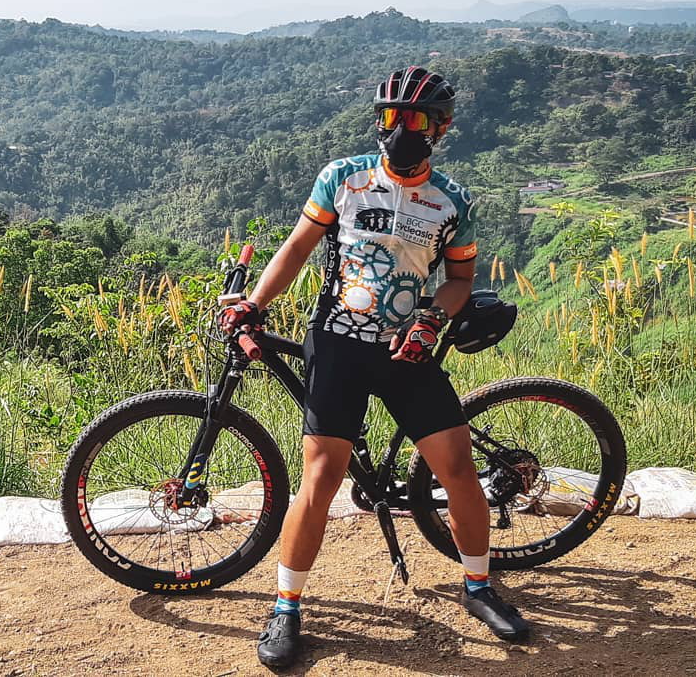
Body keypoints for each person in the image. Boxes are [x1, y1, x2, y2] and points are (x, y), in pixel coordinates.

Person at [219, 67, 530, 669]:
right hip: (337, 343)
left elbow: (460, 280)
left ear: (440, 128)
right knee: (322, 476)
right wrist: (255, 304)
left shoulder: (451, 201)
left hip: (407, 349)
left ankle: (478, 586)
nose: (401, 129)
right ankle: (286, 608)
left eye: (414, 120)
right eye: (391, 117)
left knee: (459, 470)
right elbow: (294, 250)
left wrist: (431, 321)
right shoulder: (342, 178)